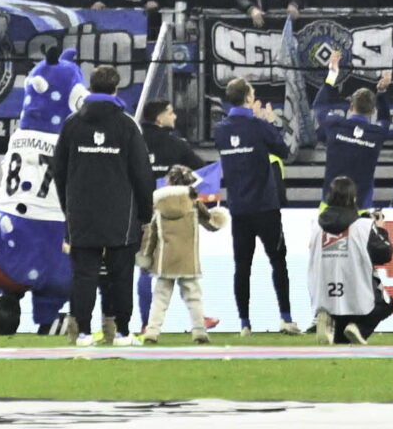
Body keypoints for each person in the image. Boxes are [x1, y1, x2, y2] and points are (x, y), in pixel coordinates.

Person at [57, 63, 154, 347]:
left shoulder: (72, 124)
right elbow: (142, 173)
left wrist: (69, 209)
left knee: (83, 275)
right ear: (116, 88)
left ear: (91, 87)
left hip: (81, 214)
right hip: (120, 215)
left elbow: (59, 171)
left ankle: (83, 333)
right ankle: (123, 333)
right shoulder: (126, 125)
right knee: (121, 276)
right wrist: (145, 214)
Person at [214, 77, 298, 334]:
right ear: (249, 98)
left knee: (242, 265)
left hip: (239, 207)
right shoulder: (259, 126)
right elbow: (284, 152)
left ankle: (244, 324)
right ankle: (285, 318)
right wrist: (271, 123)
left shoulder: (220, 130)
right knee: (278, 261)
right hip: (265, 206)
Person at [138, 162, 223, 344]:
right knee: (193, 297)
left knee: (160, 298)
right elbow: (212, 224)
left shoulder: (158, 204)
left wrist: (145, 255)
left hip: (164, 259)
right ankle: (199, 331)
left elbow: (151, 232)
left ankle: (152, 331)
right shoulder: (194, 203)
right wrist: (219, 215)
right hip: (188, 259)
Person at [310, 173, 393, 344]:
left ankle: (329, 323)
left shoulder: (316, 226)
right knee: (387, 304)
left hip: (324, 297)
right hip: (357, 299)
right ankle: (358, 327)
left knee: (341, 341)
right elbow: (385, 254)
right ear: (354, 198)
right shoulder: (363, 226)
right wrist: (380, 229)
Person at [314, 60, 392, 207]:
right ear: (372, 111)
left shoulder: (335, 124)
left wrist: (332, 75)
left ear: (350, 107)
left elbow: (319, 106)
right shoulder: (376, 133)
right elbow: (385, 119)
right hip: (360, 207)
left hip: (329, 204)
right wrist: (381, 93)